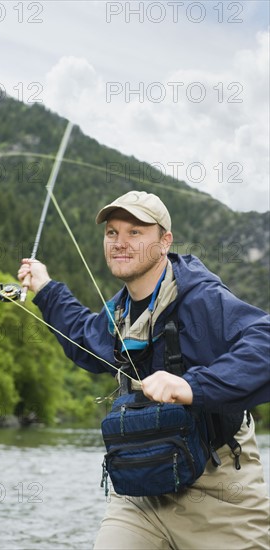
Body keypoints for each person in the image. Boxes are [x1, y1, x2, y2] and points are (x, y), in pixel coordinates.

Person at [17, 190, 270, 549]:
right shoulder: (118, 313)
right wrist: (44, 287)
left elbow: (265, 340)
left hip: (217, 487)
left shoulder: (201, 298)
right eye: (112, 233)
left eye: (135, 232)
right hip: (139, 489)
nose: (120, 242)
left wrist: (191, 386)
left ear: (165, 241)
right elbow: (83, 337)